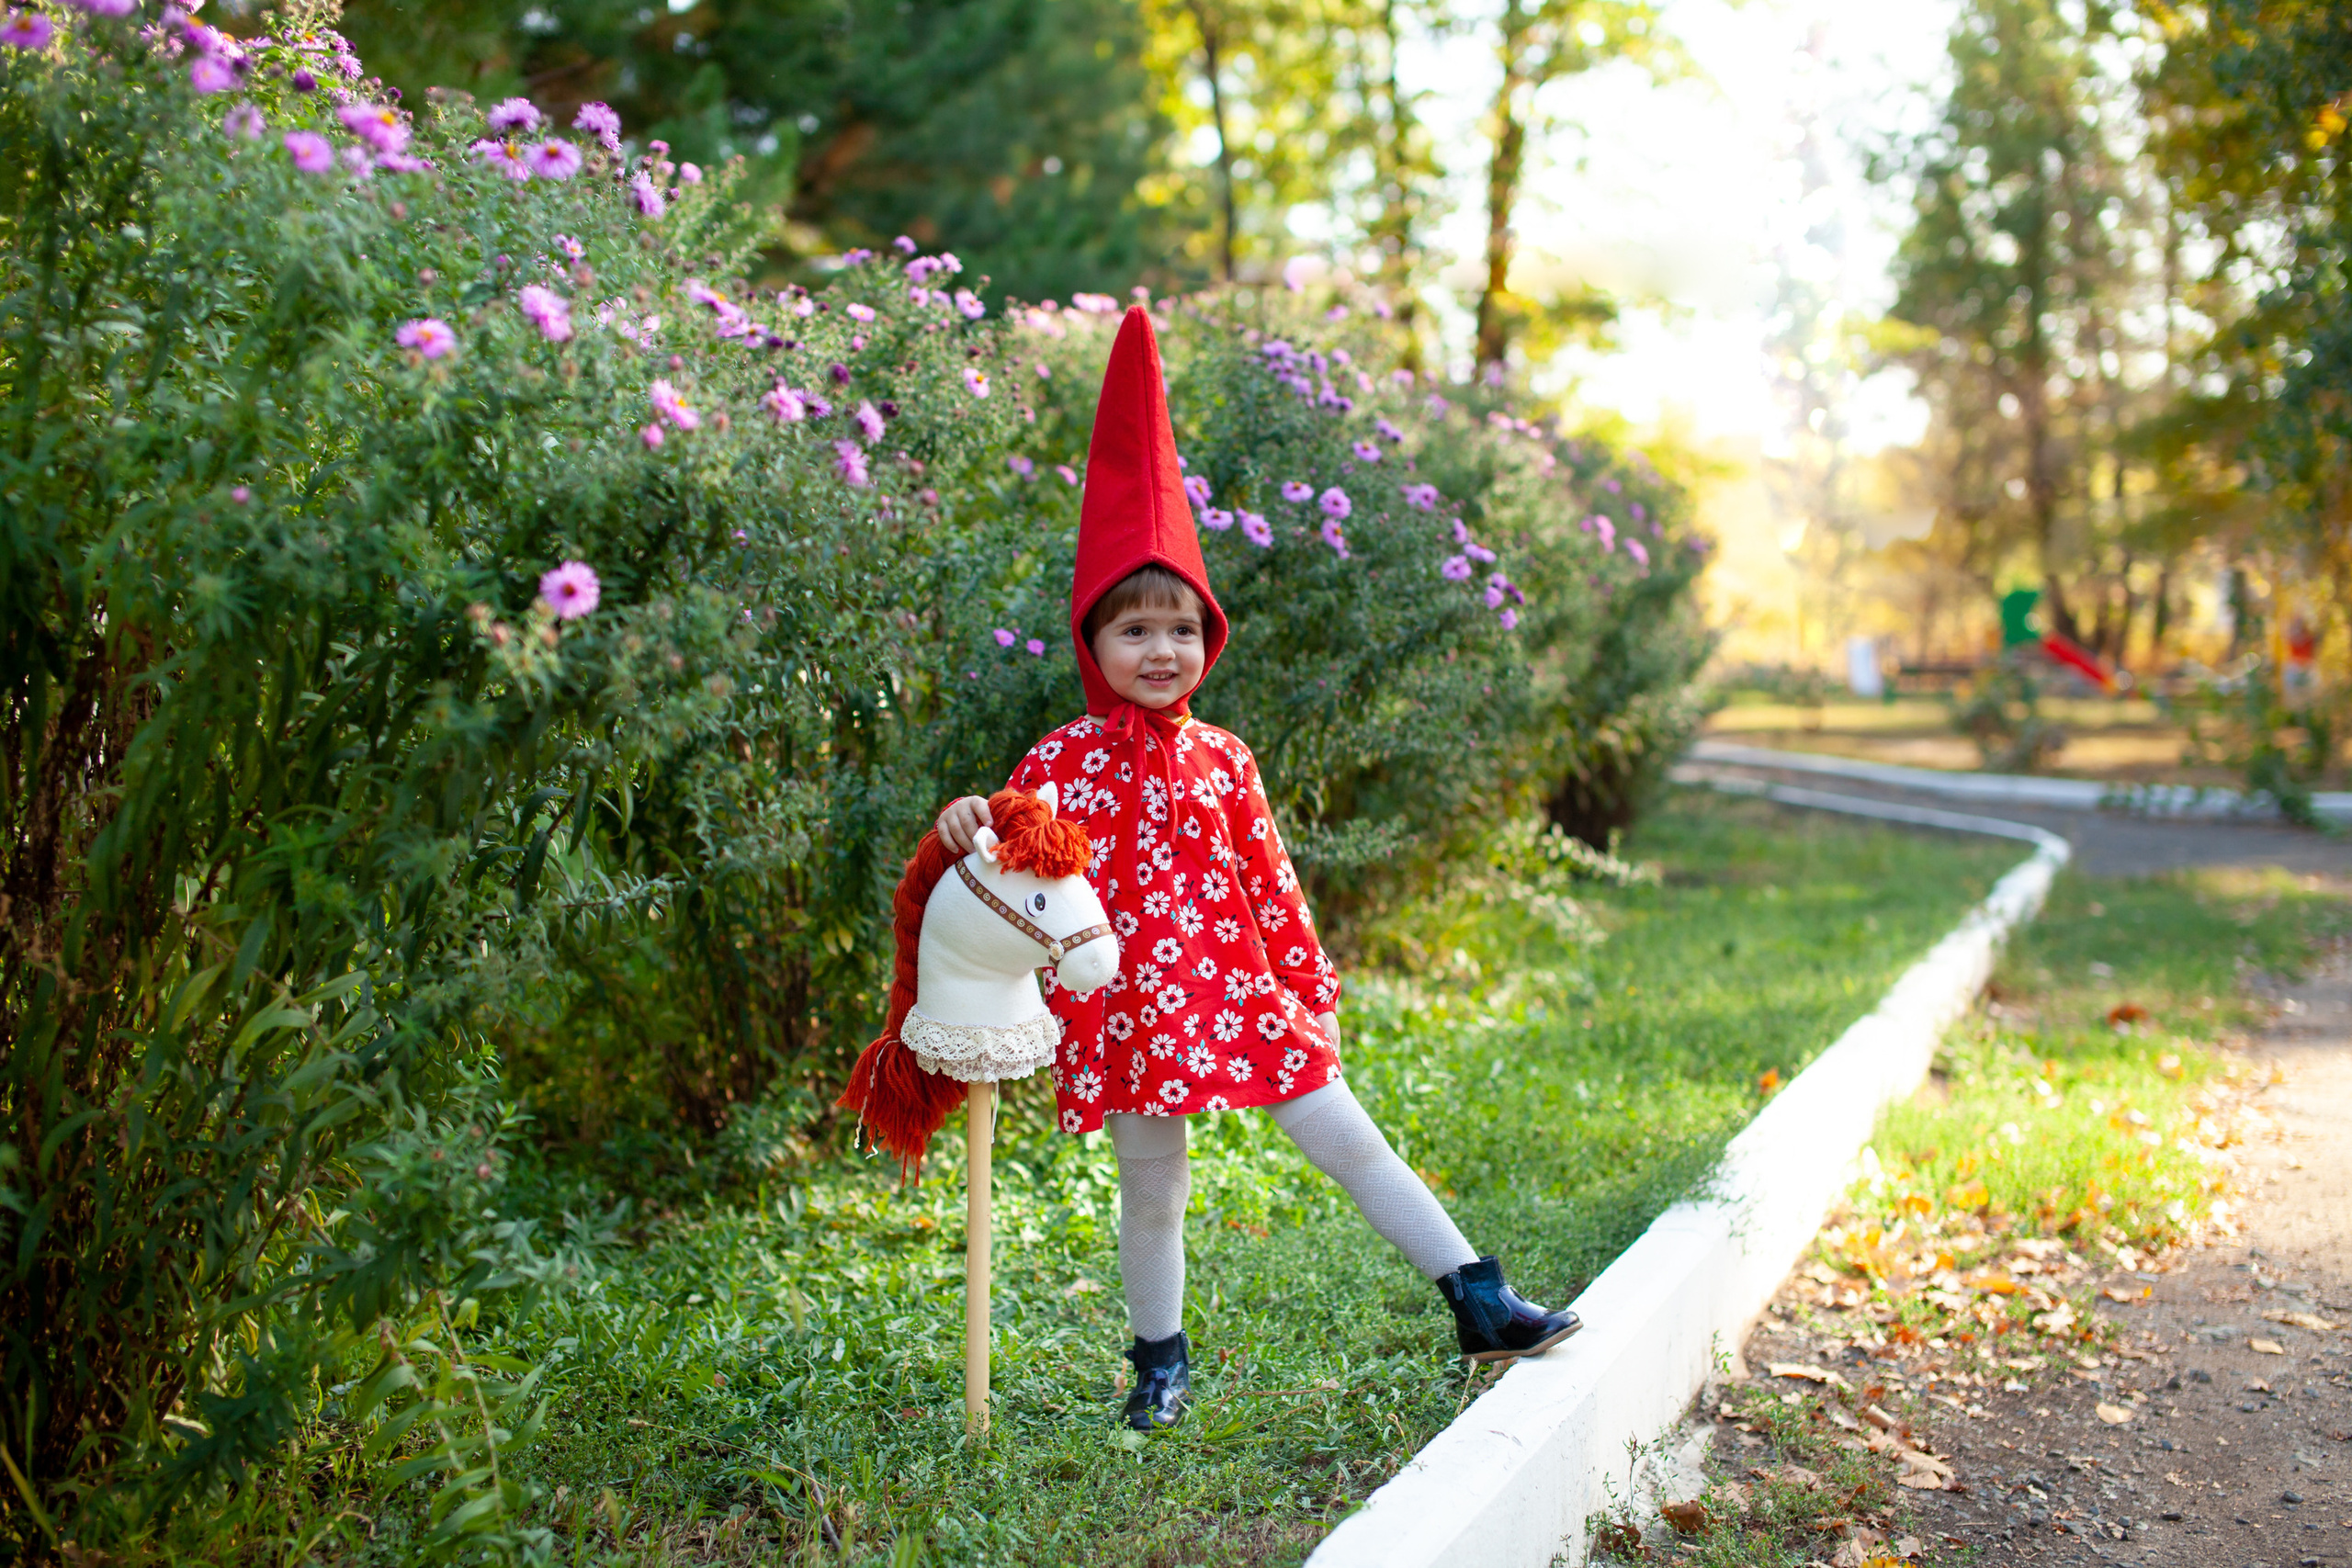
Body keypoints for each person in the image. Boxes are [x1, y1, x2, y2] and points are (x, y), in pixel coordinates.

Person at [933, 306, 1580, 1432]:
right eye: (1133, 630)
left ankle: (1477, 1297)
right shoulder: (1062, 760)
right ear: (1093, 644)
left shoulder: (1224, 756)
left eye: (1180, 628)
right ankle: (1159, 1362)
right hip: (1131, 1003)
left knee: (1346, 1133)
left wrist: (1305, 987)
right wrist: (965, 821)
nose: (1160, 650)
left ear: (1208, 637)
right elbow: (1007, 854)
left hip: (1239, 988)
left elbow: (1270, 882)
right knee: (1154, 1184)